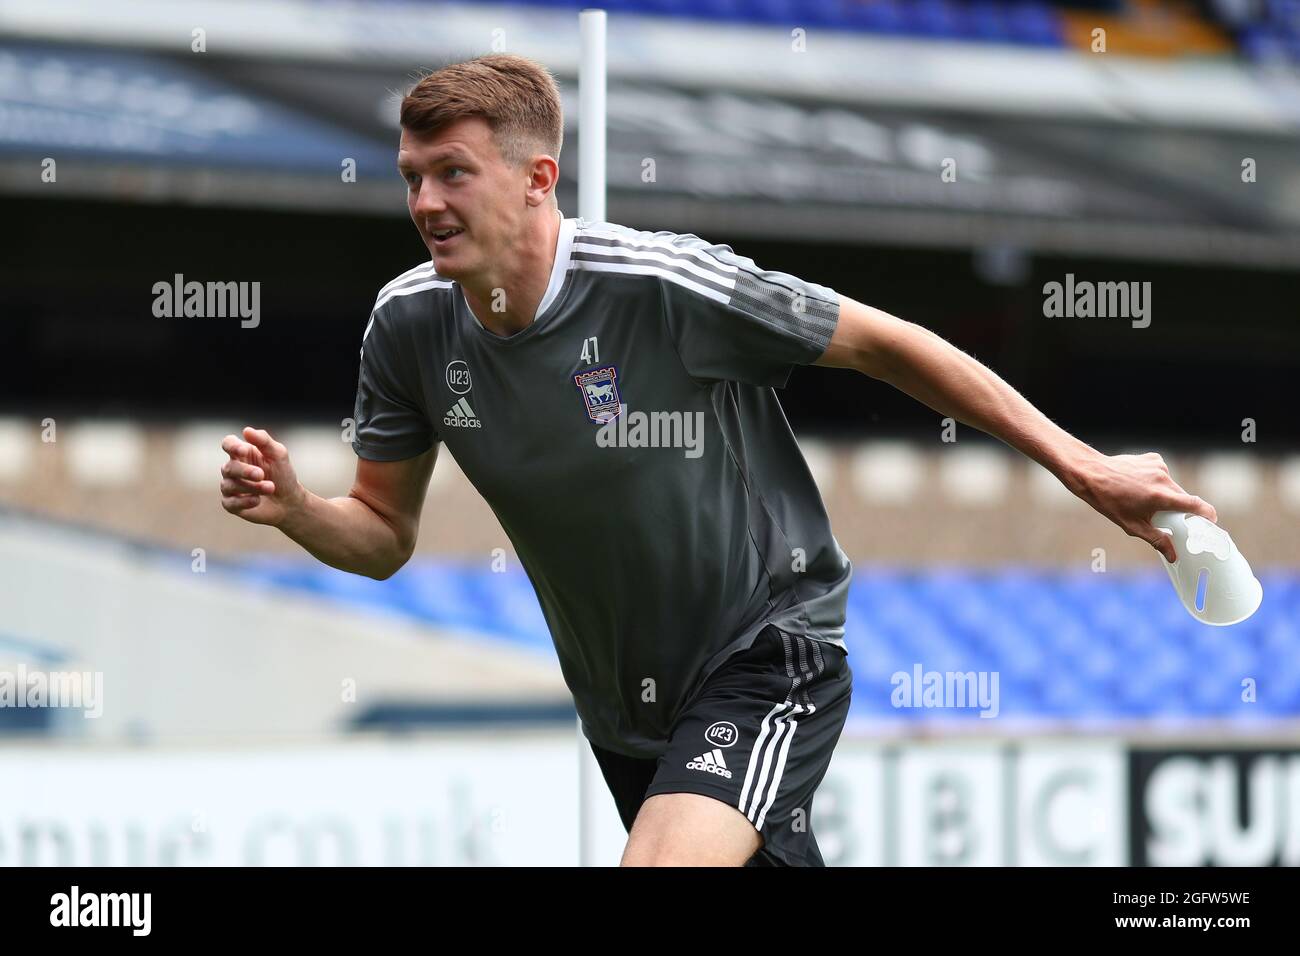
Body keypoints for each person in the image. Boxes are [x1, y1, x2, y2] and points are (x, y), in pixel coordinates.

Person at [219, 54, 1217, 866]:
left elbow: (886, 341)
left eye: (452, 173)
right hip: (623, 708)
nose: (425, 200)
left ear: (536, 179)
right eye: (411, 177)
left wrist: (1083, 468)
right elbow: (385, 535)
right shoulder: (407, 325)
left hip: (767, 647)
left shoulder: (662, 284)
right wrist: (300, 507)